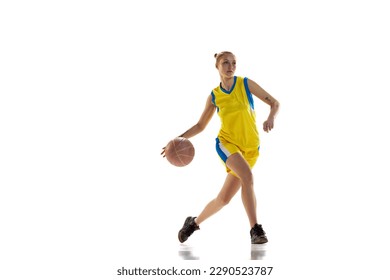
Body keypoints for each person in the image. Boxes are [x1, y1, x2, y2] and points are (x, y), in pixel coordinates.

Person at [162, 51, 280, 244]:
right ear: (217, 66)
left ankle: (193, 222)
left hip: (251, 148)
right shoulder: (215, 96)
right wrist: (177, 140)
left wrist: (271, 117)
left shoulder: (245, 84)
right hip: (227, 144)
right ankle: (255, 230)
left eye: (234, 62)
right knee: (248, 177)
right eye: (225, 62)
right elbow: (200, 126)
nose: (230, 66)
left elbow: (275, 103)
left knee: (223, 199)